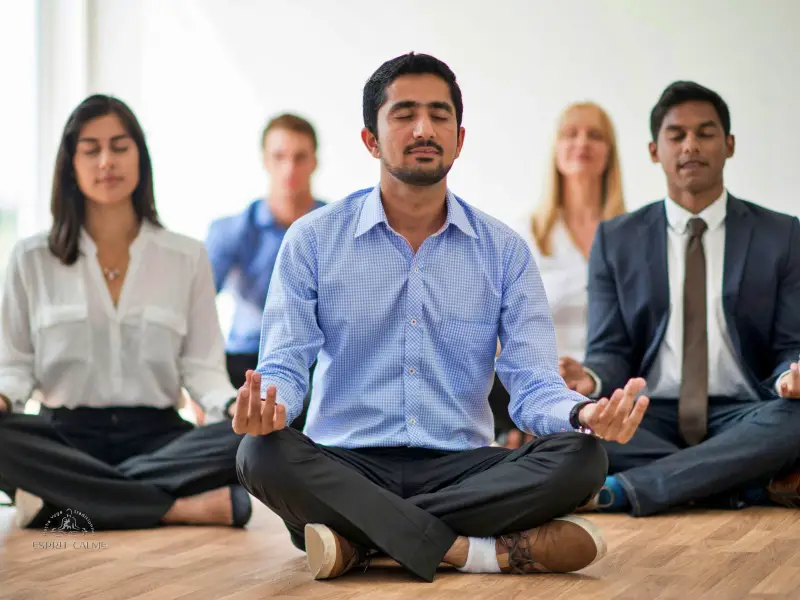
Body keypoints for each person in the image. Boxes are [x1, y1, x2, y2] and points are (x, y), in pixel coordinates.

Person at [233, 52, 649, 583]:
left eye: (439, 114)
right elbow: (286, 365)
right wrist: (270, 409)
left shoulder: (504, 251)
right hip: (344, 464)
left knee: (583, 458)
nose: (424, 128)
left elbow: (532, 384)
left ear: (460, 137)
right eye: (404, 114)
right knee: (260, 455)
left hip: (460, 466)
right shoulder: (313, 241)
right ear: (371, 139)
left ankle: (362, 543)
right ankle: (472, 552)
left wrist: (583, 414)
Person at [0, 94, 250, 530]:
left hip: (157, 438)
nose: (106, 161)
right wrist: (3, 397)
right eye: (91, 149)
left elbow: (203, 370)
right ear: (71, 165)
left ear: (140, 156)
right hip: (64, 438)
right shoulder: (30, 258)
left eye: (119, 146)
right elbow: (14, 367)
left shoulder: (186, 256)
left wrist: (233, 407)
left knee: (256, 442)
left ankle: (61, 504)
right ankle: (176, 507)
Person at [561, 81, 800, 516]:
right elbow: (610, 350)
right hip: (649, 415)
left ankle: (626, 489)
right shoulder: (616, 240)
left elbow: (790, 345)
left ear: (728, 145)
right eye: (677, 135)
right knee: (571, 435)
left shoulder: (782, 235)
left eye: (705, 133)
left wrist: (790, 376)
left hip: (745, 413)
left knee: (797, 420)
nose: (691, 145)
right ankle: (742, 485)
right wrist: (590, 380)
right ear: (655, 150)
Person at [496, 102, 626, 448]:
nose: (582, 142)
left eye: (595, 135)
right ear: (556, 151)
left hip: (614, 384)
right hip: (546, 387)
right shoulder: (525, 235)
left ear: (609, 153)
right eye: (571, 134)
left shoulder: (634, 235)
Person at [205, 114, 325, 403]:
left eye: (299, 157)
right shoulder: (231, 231)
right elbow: (195, 306)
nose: (289, 168)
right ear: (265, 161)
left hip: (315, 361)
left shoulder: (336, 229)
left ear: (314, 161)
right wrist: (202, 389)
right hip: (245, 360)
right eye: (279, 157)